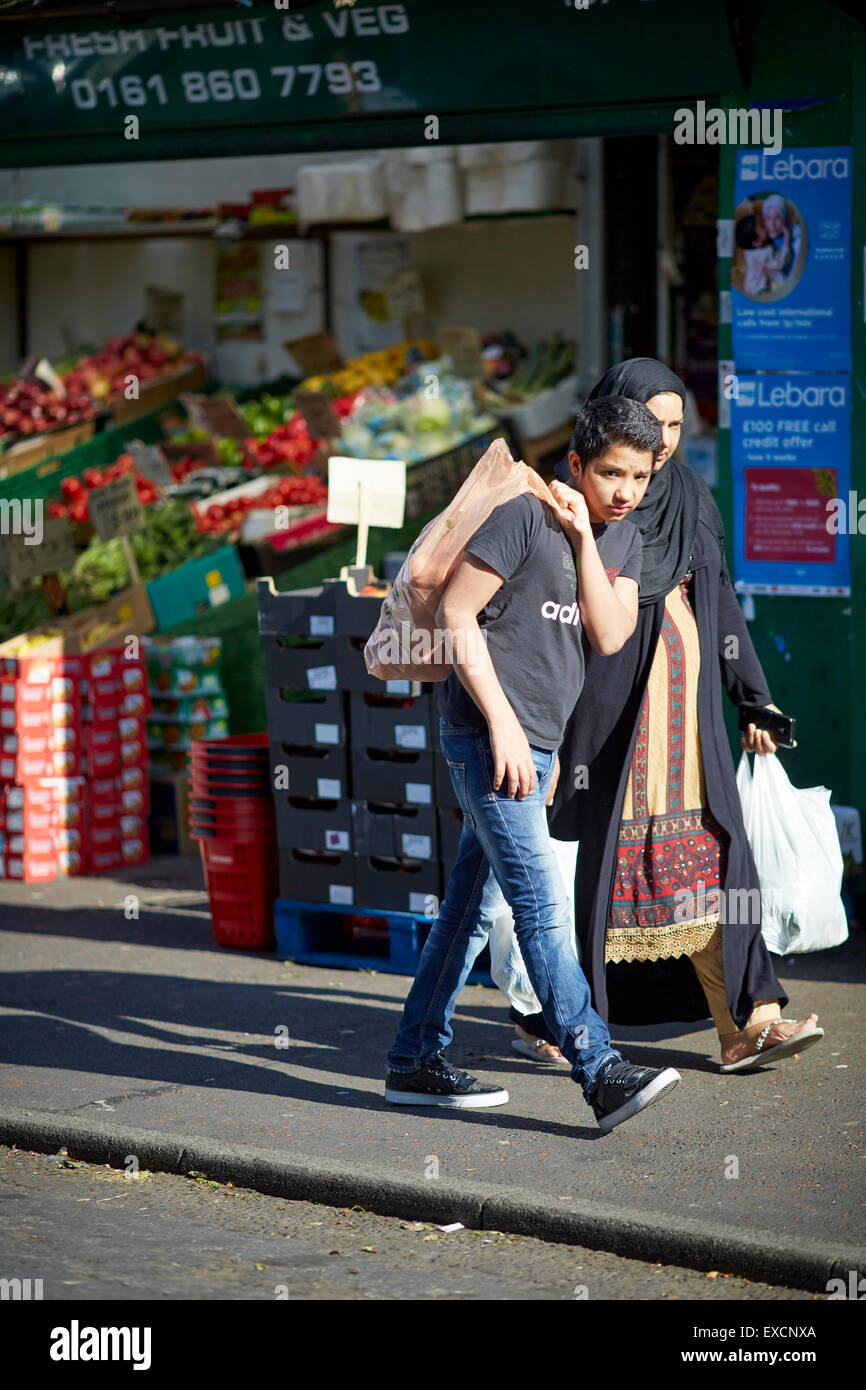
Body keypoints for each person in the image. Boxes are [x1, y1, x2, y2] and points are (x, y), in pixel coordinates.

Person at [492, 357, 823, 1074]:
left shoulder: (685, 495)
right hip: (605, 712)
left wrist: (752, 696)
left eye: (676, 424)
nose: (664, 440)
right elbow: (537, 617)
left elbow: (721, 600)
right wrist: (529, 725)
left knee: (714, 850)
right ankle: (561, 1015)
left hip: (688, 707)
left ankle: (750, 1019)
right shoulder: (573, 495)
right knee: (607, 870)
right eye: (654, 421)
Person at [384, 396, 682, 1132]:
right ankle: (600, 1070)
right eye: (610, 472)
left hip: (535, 745)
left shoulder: (622, 539)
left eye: (639, 477)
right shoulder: (522, 515)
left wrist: (587, 542)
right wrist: (505, 729)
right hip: (490, 739)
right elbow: (457, 615)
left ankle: (413, 1060)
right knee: (542, 907)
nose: (624, 491)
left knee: (469, 907)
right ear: (575, 463)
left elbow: (609, 635)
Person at [736, 212, 788, 294]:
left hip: (753, 286)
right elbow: (780, 263)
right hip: (759, 289)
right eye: (763, 226)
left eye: (764, 220)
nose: (768, 224)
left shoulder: (750, 249)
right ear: (757, 243)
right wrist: (787, 239)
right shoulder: (763, 253)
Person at [761, 194, 801, 280]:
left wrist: (774, 274)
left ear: (785, 219)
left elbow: (795, 281)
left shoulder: (798, 240)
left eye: (777, 218)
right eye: (768, 218)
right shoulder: (765, 239)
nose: (772, 224)